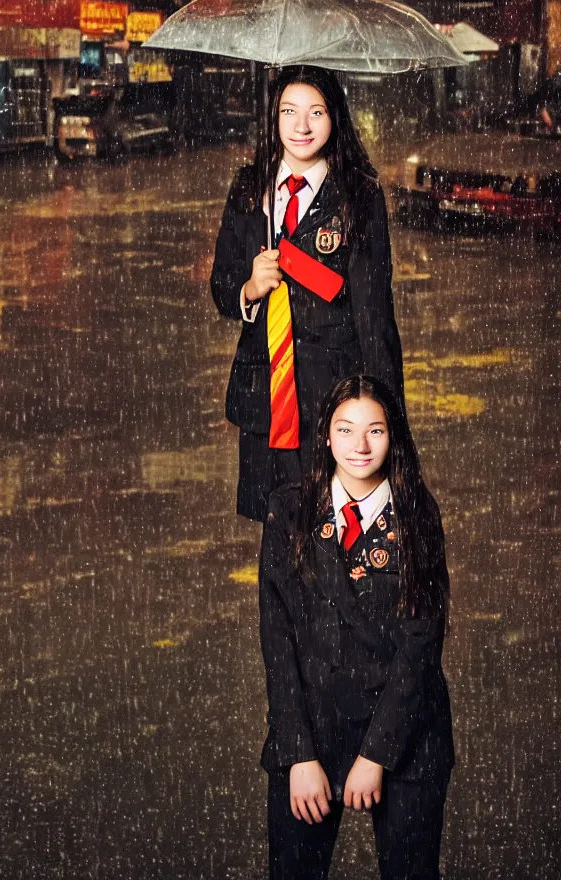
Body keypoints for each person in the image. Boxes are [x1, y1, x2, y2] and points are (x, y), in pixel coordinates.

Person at [259, 375, 453, 880]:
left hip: (406, 733)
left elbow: (420, 647)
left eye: (375, 431)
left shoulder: (417, 515)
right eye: (345, 430)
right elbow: (276, 641)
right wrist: (298, 754)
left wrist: (376, 754)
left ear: (394, 437)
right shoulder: (289, 510)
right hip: (312, 729)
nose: (360, 446)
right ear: (325, 434)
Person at [210, 64, 404, 522]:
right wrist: (251, 288)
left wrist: (386, 416)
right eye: (288, 111)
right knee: (276, 540)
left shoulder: (358, 195)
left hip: (332, 399)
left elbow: (373, 316)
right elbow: (221, 289)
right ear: (273, 119)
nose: (301, 126)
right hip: (264, 396)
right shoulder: (248, 188)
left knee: (331, 535)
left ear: (334, 116)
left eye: (315, 112)